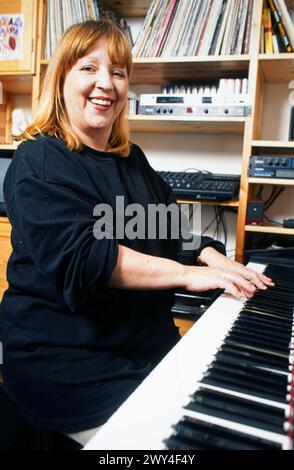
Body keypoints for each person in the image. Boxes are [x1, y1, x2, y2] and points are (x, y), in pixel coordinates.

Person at [0, 20, 273, 446]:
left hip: (144, 350)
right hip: (71, 366)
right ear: (61, 80)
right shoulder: (38, 161)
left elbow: (169, 227)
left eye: (119, 72)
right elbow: (88, 258)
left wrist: (210, 256)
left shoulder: (133, 161)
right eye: (88, 68)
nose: (105, 84)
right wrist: (187, 275)